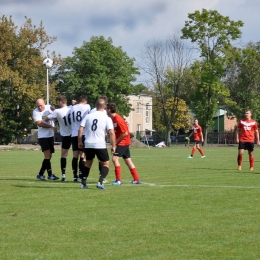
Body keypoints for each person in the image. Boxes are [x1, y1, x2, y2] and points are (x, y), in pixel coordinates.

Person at [78, 98, 116, 189]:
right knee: (106, 164)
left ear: (95, 105)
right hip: (99, 144)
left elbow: (80, 129)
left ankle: (83, 183)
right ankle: (100, 182)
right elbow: (111, 133)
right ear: (105, 106)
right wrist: (113, 145)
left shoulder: (88, 116)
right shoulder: (106, 118)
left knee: (88, 164)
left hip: (88, 143)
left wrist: (79, 141)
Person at [106, 103, 142, 185]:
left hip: (123, 142)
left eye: (106, 109)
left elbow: (125, 133)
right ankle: (136, 179)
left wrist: (115, 141)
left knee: (115, 159)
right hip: (123, 141)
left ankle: (118, 180)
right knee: (127, 160)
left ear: (109, 110)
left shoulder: (118, 119)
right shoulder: (112, 119)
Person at [45, 95, 72, 181]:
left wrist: (53, 114)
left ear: (60, 102)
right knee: (78, 155)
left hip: (65, 135)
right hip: (75, 134)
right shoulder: (72, 108)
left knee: (64, 155)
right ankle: (77, 175)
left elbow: (46, 119)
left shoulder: (57, 111)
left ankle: (63, 175)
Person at [33, 98, 59, 180]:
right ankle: (50, 174)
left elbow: (57, 118)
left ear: (44, 103)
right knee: (47, 155)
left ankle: (40, 174)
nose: (40, 107)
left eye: (41, 105)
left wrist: (54, 110)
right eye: (38, 106)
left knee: (49, 156)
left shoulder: (49, 108)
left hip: (50, 135)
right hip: (42, 136)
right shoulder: (35, 112)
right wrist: (50, 126)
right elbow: (39, 123)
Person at [70, 95, 91, 182]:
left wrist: (75, 104)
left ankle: (75, 176)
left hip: (74, 133)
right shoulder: (87, 106)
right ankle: (81, 174)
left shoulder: (72, 108)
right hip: (83, 133)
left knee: (75, 155)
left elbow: (74, 105)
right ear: (85, 101)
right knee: (83, 155)